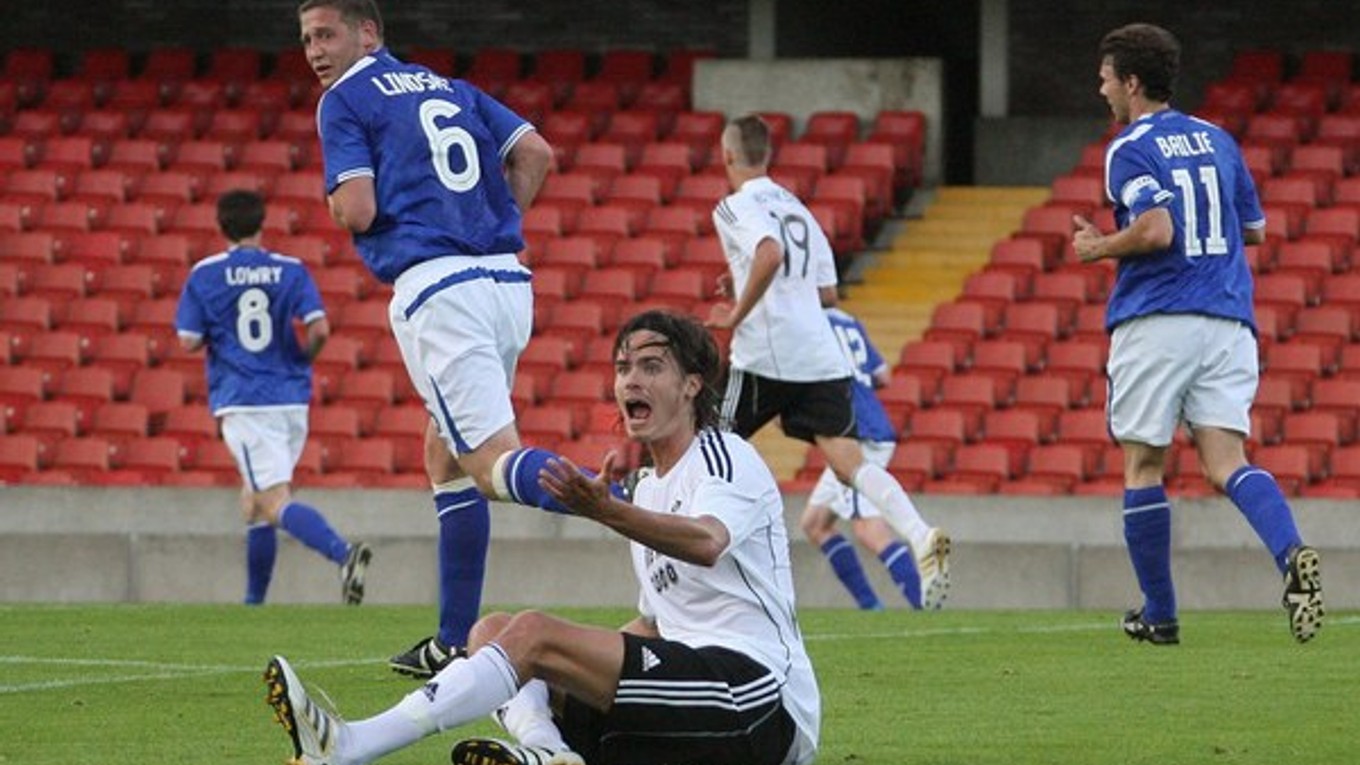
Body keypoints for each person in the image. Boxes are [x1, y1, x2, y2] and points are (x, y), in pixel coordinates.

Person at [264, 310, 820, 765]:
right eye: (624, 367)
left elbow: (706, 541)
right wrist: (563, 661)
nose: (632, 380)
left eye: (653, 367)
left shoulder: (724, 455)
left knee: (531, 634)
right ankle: (548, 753)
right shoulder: (647, 487)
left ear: (692, 386)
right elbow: (654, 622)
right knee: (493, 633)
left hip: (760, 702)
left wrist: (604, 519)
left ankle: (350, 745)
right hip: (689, 700)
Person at [297, 0, 616, 675]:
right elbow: (536, 151)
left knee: (491, 465)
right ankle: (450, 642)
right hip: (504, 280)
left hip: (440, 290)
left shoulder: (341, 100)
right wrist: (493, 225)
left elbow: (357, 207)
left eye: (326, 33)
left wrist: (334, 206)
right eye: (306, 38)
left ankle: (634, 498)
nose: (314, 50)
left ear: (369, 32)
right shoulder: (452, 88)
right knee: (443, 455)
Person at [1072, 22, 1324, 644]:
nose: (1100, 87)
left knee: (1143, 465)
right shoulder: (1218, 139)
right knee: (1226, 461)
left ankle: (1159, 613)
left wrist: (1100, 246)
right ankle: (1289, 552)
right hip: (1229, 322)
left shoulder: (1130, 146)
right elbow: (1255, 230)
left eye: (1106, 77)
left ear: (1131, 82)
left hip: (1159, 317)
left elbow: (1157, 230)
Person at [705, 113, 951, 609]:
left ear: (728, 155)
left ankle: (695, 579)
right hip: (818, 354)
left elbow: (770, 255)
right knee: (847, 462)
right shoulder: (798, 207)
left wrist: (735, 311)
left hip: (764, 355)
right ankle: (919, 533)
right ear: (768, 155)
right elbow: (829, 293)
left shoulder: (733, 206)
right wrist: (748, 285)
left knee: (707, 447)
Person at [174, 189, 371, 605]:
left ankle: (343, 554)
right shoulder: (291, 269)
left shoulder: (205, 274)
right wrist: (302, 360)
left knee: (272, 499)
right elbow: (319, 329)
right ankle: (253, 606)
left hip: (246, 399)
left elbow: (188, 340)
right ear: (262, 223)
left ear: (221, 226)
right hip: (291, 399)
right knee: (253, 502)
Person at [801, 306, 923, 610]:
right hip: (867, 425)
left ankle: (924, 603)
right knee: (815, 523)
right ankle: (871, 608)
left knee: (868, 528)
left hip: (853, 432)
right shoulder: (848, 321)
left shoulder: (807, 322)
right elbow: (883, 374)